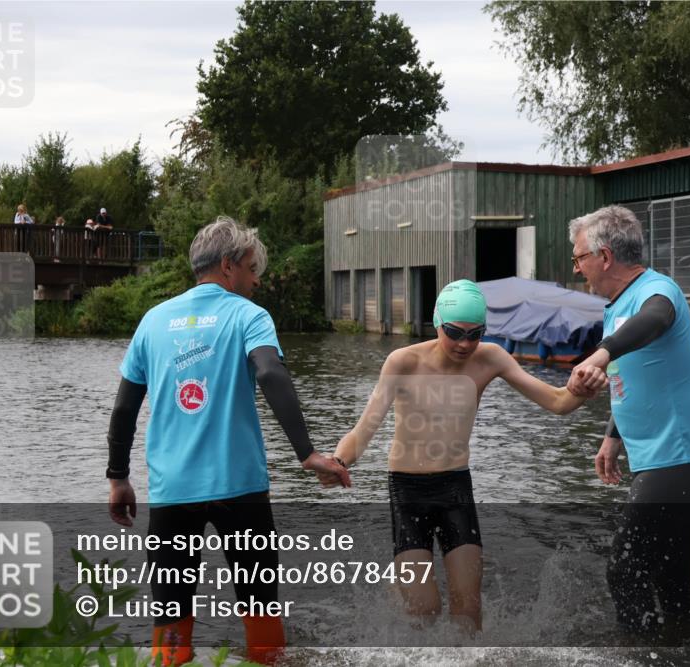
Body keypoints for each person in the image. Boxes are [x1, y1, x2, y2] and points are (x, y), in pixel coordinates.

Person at [105, 215, 350, 666]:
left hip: (172, 492)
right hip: (241, 491)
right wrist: (308, 453)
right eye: (253, 268)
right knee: (259, 602)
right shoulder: (248, 316)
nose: (257, 280)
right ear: (228, 265)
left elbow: (124, 409)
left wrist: (118, 477)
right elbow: (271, 373)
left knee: (171, 611)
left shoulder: (153, 321)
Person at [331, 279, 607, 635]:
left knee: (467, 610)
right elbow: (362, 431)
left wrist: (582, 390)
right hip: (408, 491)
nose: (464, 344)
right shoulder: (403, 362)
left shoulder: (490, 358)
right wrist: (338, 463)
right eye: (454, 332)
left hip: (455, 489)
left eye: (475, 334)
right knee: (424, 610)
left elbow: (557, 402)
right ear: (437, 323)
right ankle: (400, 586)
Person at [565, 205, 690, 637]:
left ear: (605, 256)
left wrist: (600, 352)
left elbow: (653, 321)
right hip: (661, 455)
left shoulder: (658, 291)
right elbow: (626, 376)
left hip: (679, 456)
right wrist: (611, 437)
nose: (577, 268)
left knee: (624, 568)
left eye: (579, 258)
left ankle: (639, 654)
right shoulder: (615, 306)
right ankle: (683, 645)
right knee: (670, 571)